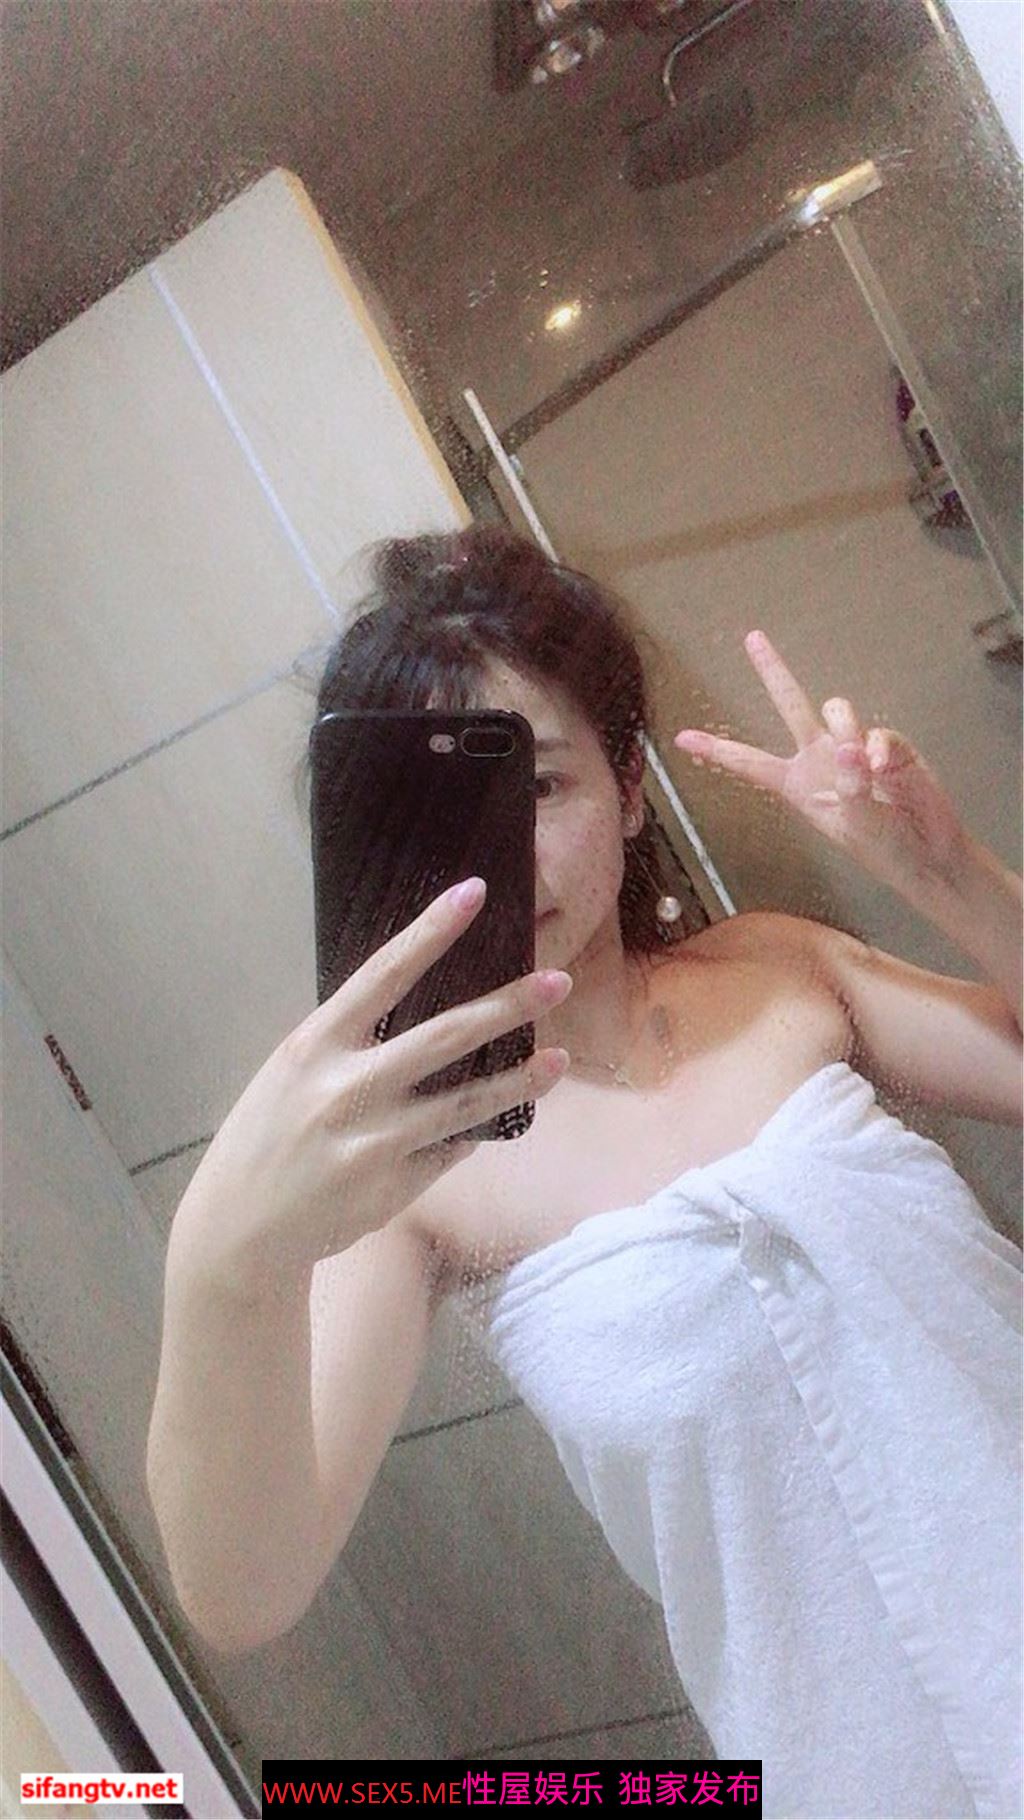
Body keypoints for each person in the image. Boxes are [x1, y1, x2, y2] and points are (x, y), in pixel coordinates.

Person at [147, 524, 1022, 1816]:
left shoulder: (779, 969)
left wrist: (951, 876)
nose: (497, 850)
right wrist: (221, 1262)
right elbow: (244, 1587)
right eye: (440, 812)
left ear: (629, 785)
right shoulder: (423, 1172)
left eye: (541, 785)